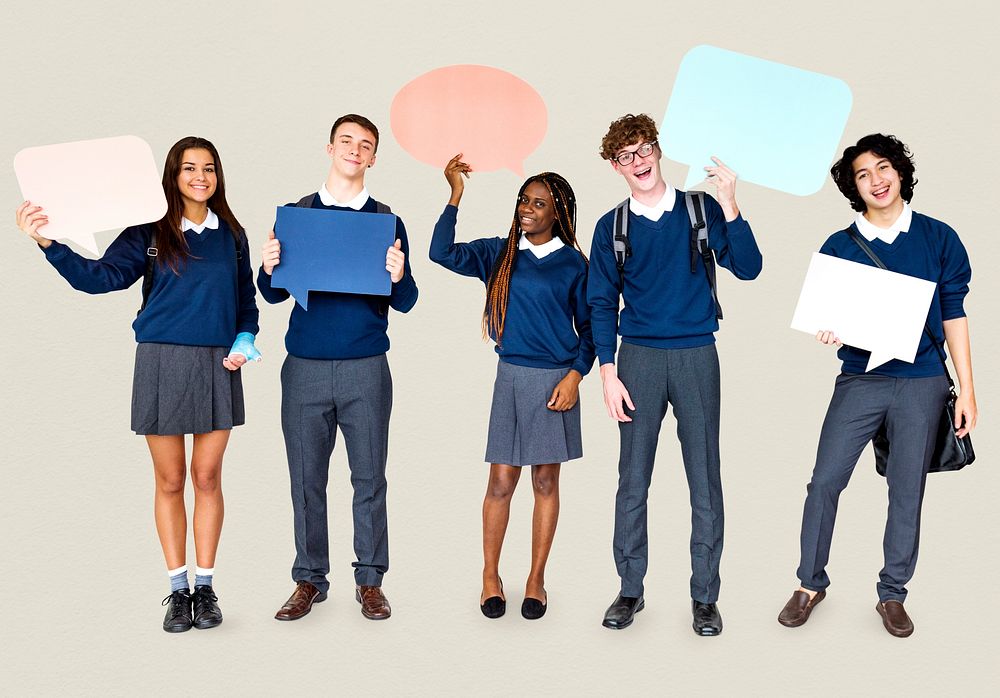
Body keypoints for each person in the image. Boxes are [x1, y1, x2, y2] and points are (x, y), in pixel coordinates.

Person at [15, 136, 260, 633]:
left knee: (207, 478)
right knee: (170, 481)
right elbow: (99, 278)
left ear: (219, 176)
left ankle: (207, 589)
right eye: (189, 168)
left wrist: (245, 337)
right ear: (171, 175)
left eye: (209, 168)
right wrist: (48, 243)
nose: (200, 177)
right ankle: (177, 591)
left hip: (219, 364)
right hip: (160, 361)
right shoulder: (148, 230)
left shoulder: (231, 234)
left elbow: (246, 303)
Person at [777, 134, 976, 638]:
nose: (876, 180)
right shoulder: (839, 246)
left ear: (901, 171)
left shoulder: (938, 238)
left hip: (923, 383)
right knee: (824, 480)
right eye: (863, 174)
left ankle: (893, 594)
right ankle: (809, 584)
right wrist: (828, 327)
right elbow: (828, 312)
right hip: (860, 380)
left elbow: (954, 314)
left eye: (883, 168)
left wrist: (969, 390)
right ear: (853, 187)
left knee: (907, 489)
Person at [588, 114, 762, 634]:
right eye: (625, 157)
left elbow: (749, 267)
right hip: (636, 359)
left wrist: (731, 202)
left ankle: (705, 597)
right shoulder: (610, 227)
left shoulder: (701, 209)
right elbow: (600, 303)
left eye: (644, 151)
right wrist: (607, 372)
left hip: (695, 355)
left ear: (658, 151)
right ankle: (629, 590)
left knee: (705, 478)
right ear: (614, 166)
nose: (637, 163)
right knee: (632, 481)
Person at [260, 114, 417, 622]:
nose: (355, 149)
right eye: (346, 140)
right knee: (305, 477)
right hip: (304, 365)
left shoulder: (387, 222)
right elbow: (272, 293)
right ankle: (309, 579)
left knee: (369, 477)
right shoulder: (296, 215)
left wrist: (398, 275)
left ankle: (370, 580)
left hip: (365, 366)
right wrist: (268, 266)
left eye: (365, 144)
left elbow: (408, 300)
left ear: (374, 158)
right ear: (329, 148)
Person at [430, 155, 595, 620]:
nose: (527, 208)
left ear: (557, 213)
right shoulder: (500, 253)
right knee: (501, 482)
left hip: (553, 382)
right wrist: (455, 195)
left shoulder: (575, 265)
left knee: (545, 480)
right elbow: (440, 253)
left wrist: (575, 376)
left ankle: (536, 579)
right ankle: (489, 576)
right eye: (524, 199)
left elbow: (593, 328)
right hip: (511, 378)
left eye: (539, 203)